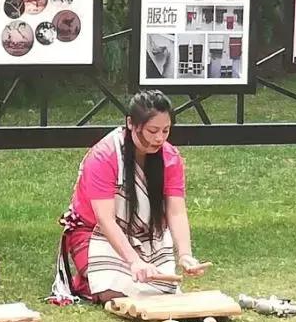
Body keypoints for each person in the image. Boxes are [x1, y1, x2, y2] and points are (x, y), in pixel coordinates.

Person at [50, 90, 207, 305]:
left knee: (158, 288)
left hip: (145, 235)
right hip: (93, 232)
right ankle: (88, 281)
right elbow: (105, 219)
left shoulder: (170, 157)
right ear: (131, 124)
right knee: (113, 292)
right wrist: (134, 261)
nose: (160, 138)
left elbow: (176, 210)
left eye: (166, 130)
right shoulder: (104, 155)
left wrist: (186, 255)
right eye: (153, 130)